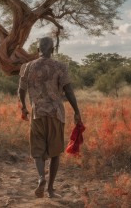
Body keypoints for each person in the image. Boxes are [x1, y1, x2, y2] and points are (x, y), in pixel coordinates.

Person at [18, 37, 82, 198]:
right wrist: (76, 111)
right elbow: (69, 91)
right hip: (56, 114)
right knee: (55, 153)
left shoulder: (27, 67)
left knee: (37, 151)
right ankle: (51, 190)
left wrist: (24, 107)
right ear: (52, 50)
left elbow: (21, 90)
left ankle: (41, 178)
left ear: (38, 50)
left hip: (37, 114)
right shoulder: (61, 66)